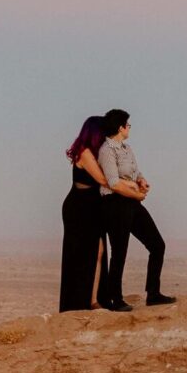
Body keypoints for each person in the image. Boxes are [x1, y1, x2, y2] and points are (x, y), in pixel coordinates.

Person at [97, 107, 175, 310]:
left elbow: (135, 171)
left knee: (157, 245)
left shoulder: (127, 149)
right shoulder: (106, 151)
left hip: (131, 203)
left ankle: (153, 293)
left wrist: (141, 181)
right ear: (120, 127)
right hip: (114, 204)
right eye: (128, 125)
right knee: (120, 251)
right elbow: (113, 183)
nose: (129, 128)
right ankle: (115, 299)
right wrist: (137, 193)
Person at [59, 114, 112, 310]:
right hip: (79, 208)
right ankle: (81, 302)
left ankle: (93, 299)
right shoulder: (85, 154)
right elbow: (104, 179)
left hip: (92, 207)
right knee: (82, 253)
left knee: (98, 252)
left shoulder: (95, 154)